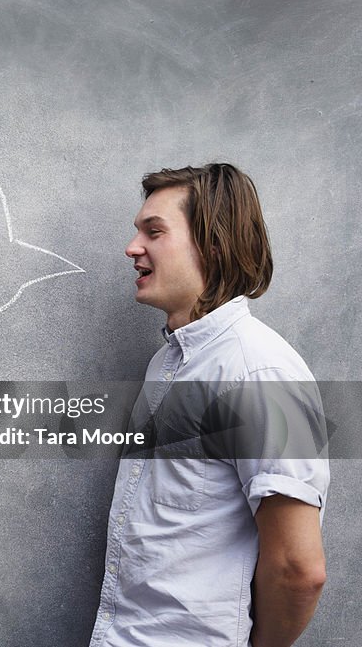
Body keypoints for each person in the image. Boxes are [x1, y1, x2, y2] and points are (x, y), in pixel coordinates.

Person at [89, 164, 329, 647]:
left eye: (154, 232)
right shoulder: (168, 362)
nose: (132, 248)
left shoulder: (260, 373)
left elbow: (298, 569)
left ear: (213, 244)